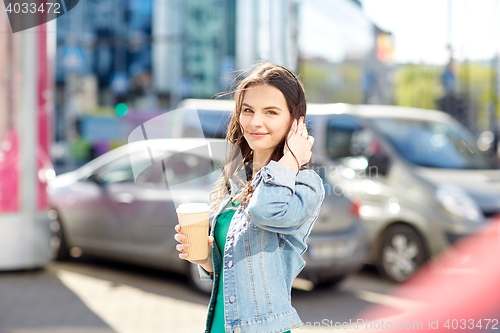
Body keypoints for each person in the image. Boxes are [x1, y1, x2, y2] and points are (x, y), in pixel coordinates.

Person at [174, 62, 325, 333]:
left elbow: (264, 210)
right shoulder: (237, 180)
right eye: (248, 110)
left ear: (295, 121)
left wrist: (291, 158)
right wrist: (205, 260)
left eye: (271, 112)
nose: (255, 122)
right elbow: (233, 270)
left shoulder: (304, 184)